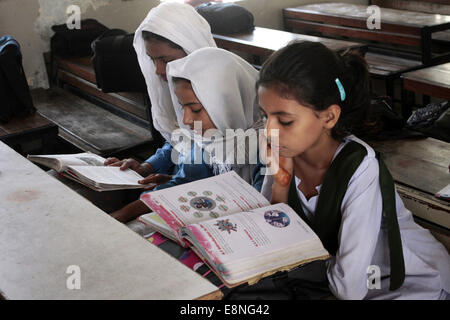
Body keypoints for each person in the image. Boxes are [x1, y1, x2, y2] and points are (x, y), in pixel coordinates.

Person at [226, 41, 450, 300]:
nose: (269, 131)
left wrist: (299, 262)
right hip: (338, 281)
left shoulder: (359, 167)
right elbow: (269, 242)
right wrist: (280, 184)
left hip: (406, 281)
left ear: (329, 117)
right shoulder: (285, 150)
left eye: (285, 120)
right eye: (265, 116)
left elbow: (349, 289)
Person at [111, 47, 263, 223]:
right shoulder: (208, 140)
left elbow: (262, 211)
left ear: (228, 104)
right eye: (183, 108)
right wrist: (123, 214)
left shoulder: (267, 146)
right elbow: (185, 182)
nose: (187, 119)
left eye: (196, 109)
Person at [104, 1, 216, 188]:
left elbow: (196, 172)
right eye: (152, 60)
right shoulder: (177, 86)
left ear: (190, 48)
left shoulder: (219, 96)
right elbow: (178, 139)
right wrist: (146, 167)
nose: (157, 70)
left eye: (165, 60)